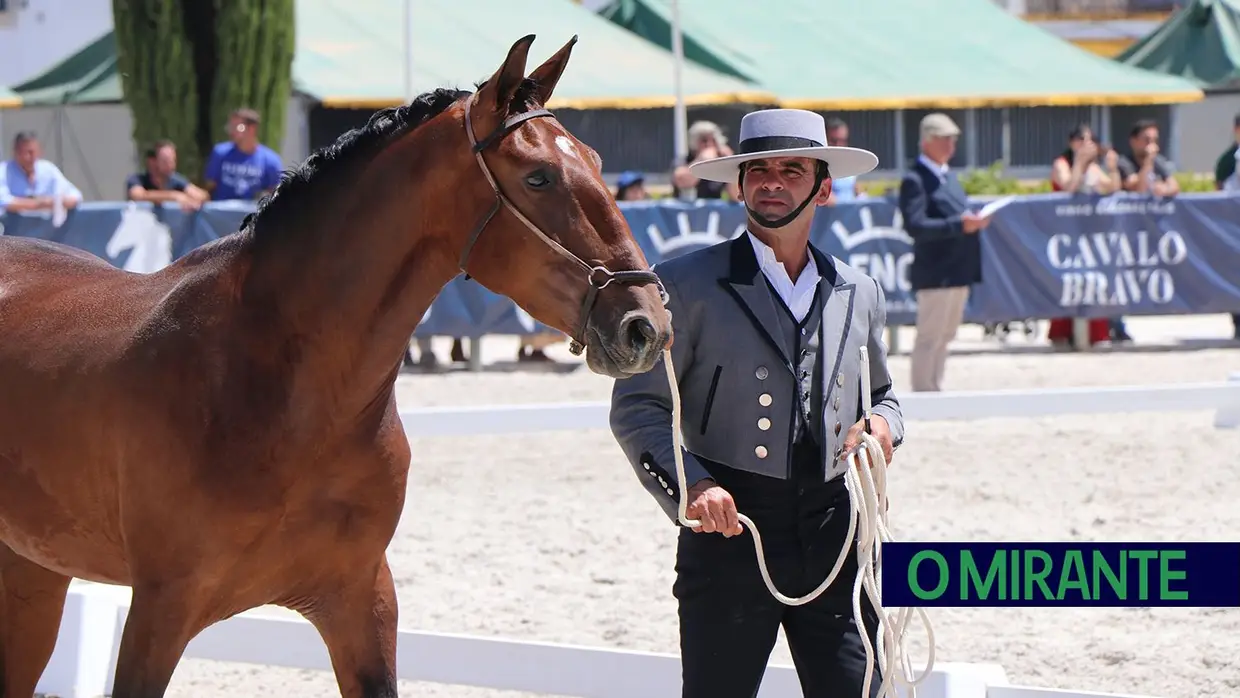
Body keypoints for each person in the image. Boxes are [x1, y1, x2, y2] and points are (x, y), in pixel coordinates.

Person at [610, 108, 902, 698]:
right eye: (759, 169)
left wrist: (883, 427)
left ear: (822, 187)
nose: (772, 181)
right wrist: (691, 484)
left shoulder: (859, 290)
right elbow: (638, 407)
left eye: (791, 170)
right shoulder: (682, 284)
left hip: (833, 532)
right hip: (729, 535)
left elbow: (885, 395)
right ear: (740, 184)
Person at [898, 113, 991, 392]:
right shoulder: (915, 179)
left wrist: (969, 222)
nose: (952, 145)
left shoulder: (948, 176)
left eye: (953, 139)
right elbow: (915, 225)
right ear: (928, 141)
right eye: (945, 139)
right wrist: (959, 224)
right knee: (929, 335)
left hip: (957, 267)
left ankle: (934, 387)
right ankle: (923, 389)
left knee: (946, 334)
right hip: (936, 269)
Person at [203, 107, 284, 202]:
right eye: (230, 127)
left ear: (251, 129)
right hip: (222, 212)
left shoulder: (271, 160)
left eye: (237, 127)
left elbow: (277, 193)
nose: (231, 131)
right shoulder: (220, 153)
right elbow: (209, 187)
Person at [0, 131, 83, 213]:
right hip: (12, 225)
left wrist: (54, 202)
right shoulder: (3, 171)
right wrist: (39, 204)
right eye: (25, 153)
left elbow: (75, 196)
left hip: (47, 225)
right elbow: (3, 201)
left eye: (33, 152)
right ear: (16, 153)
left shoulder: (47, 169)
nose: (30, 157)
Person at [126, 139, 209, 212]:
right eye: (165, 161)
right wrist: (175, 196)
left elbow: (202, 195)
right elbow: (138, 195)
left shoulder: (176, 180)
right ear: (152, 162)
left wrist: (191, 201)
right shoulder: (137, 179)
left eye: (173, 160)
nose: (171, 165)